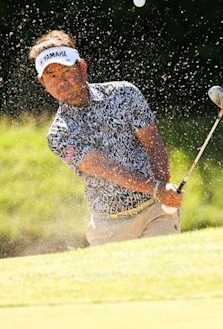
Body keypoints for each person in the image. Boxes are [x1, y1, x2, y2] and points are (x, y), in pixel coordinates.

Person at [28, 30, 183, 246]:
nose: (60, 82)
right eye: (51, 76)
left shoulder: (124, 94)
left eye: (65, 72)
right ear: (43, 83)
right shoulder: (59, 134)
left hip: (155, 213)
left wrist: (164, 190)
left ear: (82, 68)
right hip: (109, 226)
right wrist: (156, 189)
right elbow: (105, 168)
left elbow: (153, 144)